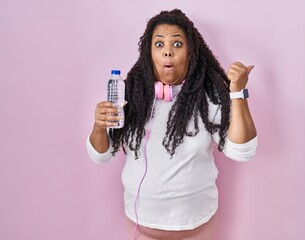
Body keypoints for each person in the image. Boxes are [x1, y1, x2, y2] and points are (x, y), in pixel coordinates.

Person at [86, 9, 258, 240]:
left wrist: (237, 93)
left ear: (190, 53)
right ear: (149, 54)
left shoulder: (209, 97)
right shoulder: (129, 96)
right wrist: (98, 126)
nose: (167, 50)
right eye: (159, 44)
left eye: (177, 44)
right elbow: (101, 155)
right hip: (141, 227)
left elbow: (242, 151)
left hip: (197, 226)